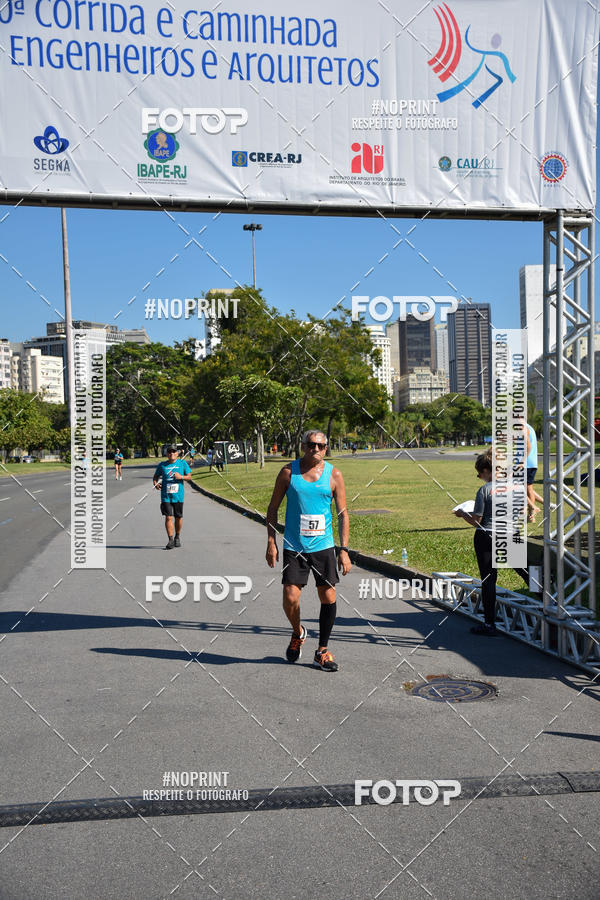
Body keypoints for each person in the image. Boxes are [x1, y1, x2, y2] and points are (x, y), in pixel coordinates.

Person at [266, 429, 352, 672]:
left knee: (328, 596)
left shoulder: (334, 474)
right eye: (311, 445)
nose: (316, 449)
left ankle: (322, 651)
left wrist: (343, 550)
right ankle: (298, 632)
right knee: (290, 597)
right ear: (303, 446)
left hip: (323, 547)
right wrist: (271, 542)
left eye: (321, 446)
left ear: (326, 448)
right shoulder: (287, 472)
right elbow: (272, 509)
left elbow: (343, 514)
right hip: (294, 546)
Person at [152, 445, 192, 549]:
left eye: (174, 452)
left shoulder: (182, 463)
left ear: (177, 453)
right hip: (166, 496)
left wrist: (181, 477)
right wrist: (156, 483)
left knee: (178, 517)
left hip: (178, 496)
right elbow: (155, 476)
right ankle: (170, 540)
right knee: (168, 517)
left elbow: (189, 477)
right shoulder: (162, 465)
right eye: (169, 452)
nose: (172, 454)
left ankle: (177, 537)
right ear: (167, 454)